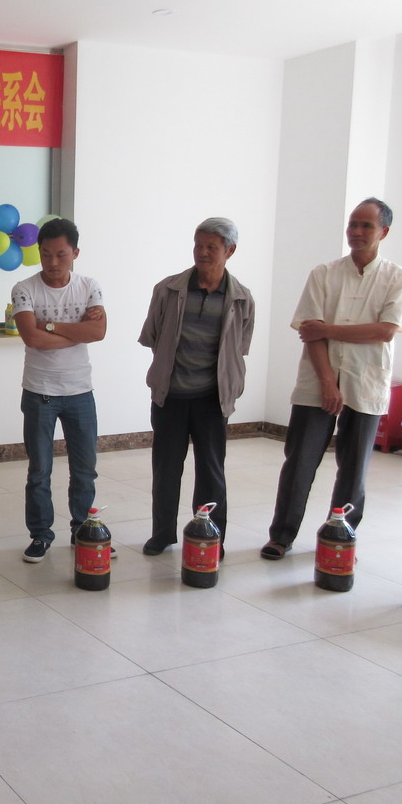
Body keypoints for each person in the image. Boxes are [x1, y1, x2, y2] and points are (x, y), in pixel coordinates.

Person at [263, 197, 402, 559]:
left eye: (366, 225)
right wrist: (328, 382)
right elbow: (309, 333)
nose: (356, 232)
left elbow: (384, 331)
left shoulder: (398, 278)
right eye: (352, 224)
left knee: (353, 470)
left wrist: (328, 330)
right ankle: (281, 536)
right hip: (317, 382)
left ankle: (339, 538)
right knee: (299, 462)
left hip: (366, 383)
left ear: (384, 232)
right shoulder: (324, 274)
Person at [138, 217, 255, 556]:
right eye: (198, 245)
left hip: (212, 399)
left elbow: (239, 347)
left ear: (229, 251)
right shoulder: (168, 289)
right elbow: (153, 335)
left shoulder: (242, 298)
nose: (202, 253)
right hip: (170, 396)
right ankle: (162, 534)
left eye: (211, 248)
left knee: (211, 472)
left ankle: (210, 536)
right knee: (166, 470)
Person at [12, 218, 107, 563]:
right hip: (39, 392)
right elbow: (32, 338)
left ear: (75, 253)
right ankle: (41, 535)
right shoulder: (24, 289)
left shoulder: (89, 286)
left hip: (80, 391)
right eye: (46, 254)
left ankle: (83, 531)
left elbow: (98, 333)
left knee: (85, 469)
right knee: (39, 471)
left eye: (61, 255)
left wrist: (49, 325)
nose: (52, 262)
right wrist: (76, 330)